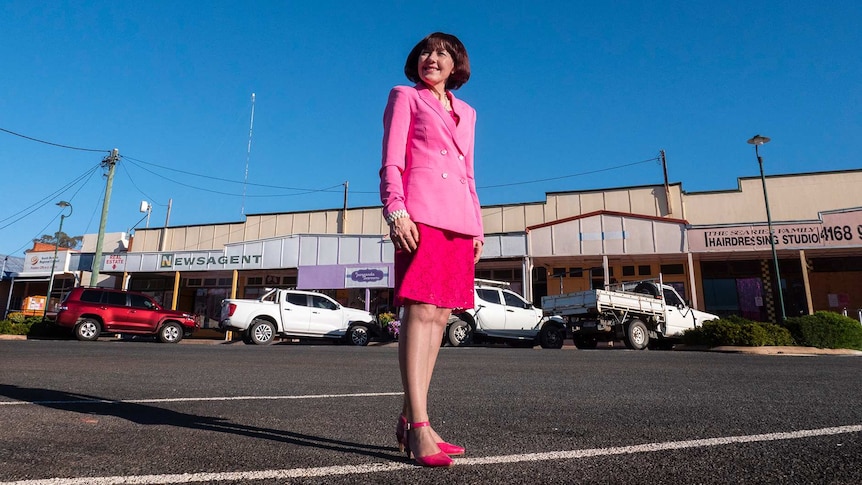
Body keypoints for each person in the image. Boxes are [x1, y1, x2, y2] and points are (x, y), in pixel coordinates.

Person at [379, 32, 483, 468]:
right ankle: (419, 426)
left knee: (441, 315)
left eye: (441, 52)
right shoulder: (405, 96)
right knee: (420, 311)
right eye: (425, 51)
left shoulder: (468, 113)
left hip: (460, 219)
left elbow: (470, 173)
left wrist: (477, 227)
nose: (431, 58)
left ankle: (411, 418)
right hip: (421, 213)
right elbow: (391, 159)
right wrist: (395, 210)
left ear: (457, 63)